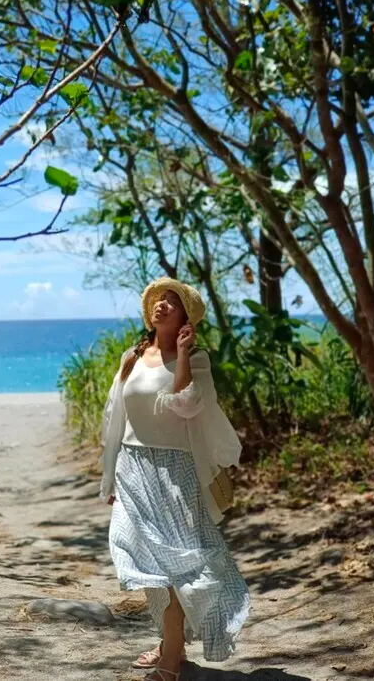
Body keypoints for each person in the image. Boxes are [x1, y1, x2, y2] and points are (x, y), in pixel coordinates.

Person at [100, 277, 250, 680]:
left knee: (175, 565)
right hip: (132, 467)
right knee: (140, 554)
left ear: (186, 316)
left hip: (174, 471)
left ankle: (170, 658)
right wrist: (110, 474)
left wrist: (182, 353)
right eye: (157, 300)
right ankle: (171, 643)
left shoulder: (196, 360)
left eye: (171, 301)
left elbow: (186, 404)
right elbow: (115, 418)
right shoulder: (132, 357)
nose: (161, 305)